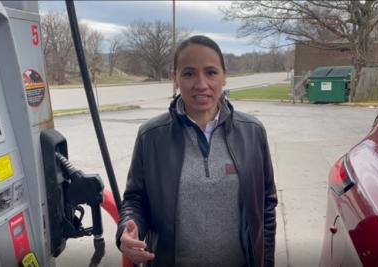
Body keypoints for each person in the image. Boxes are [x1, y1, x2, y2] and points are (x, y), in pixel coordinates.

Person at [116, 35, 277, 267]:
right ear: (175, 78)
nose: (201, 84)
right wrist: (128, 228)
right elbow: (135, 199)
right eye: (189, 73)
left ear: (225, 76)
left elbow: (267, 206)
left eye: (211, 72)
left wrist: (266, 261)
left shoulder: (252, 133)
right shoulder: (151, 136)